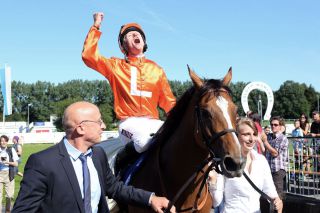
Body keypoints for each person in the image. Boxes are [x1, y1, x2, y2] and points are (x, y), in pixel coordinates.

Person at [12, 101, 175, 213]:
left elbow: (115, 188)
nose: (103, 126)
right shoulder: (43, 162)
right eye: (99, 121)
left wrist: (151, 199)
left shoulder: (98, 155)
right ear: (81, 128)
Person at [82, 12, 176, 155]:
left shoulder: (156, 70)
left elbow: (169, 103)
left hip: (154, 123)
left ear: (144, 42)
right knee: (144, 141)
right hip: (129, 124)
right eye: (130, 35)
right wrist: (96, 26)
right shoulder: (115, 66)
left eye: (137, 34)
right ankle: (119, 168)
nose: (135, 36)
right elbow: (88, 56)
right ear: (123, 45)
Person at [208, 117, 283, 213]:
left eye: (254, 134)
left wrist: (277, 201)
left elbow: (271, 193)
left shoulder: (261, 161)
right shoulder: (226, 162)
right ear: (236, 136)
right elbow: (216, 201)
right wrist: (213, 182)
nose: (252, 139)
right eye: (246, 134)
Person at [264, 116, 289, 199]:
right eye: (272, 124)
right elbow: (265, 151)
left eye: (276, 124)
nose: (273, 126)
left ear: (280, 126)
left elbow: (275, 153)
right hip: (268, 169)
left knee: (278, 197)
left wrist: (265, 142)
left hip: (278, 170)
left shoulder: (282, 138)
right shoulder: (269, 136)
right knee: (268, 195)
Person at [0, 135, 19, 213]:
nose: (3, 142)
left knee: (9, 195)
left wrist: (7, 162)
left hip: (9, 173)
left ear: (7, 142)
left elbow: (16, 164)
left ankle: (7, 211)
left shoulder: (11, 150)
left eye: (5, 141)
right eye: (1, 141)